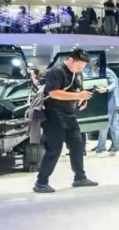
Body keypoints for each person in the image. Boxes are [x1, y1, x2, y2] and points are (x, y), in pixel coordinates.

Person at [33, 49, 100, 193]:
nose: (80, 69)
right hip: (53, 116)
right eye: (79, 66)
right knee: (53, 150)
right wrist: (78, 96)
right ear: (70, 60)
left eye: (83, 67)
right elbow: (54, 93)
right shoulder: (55, 72)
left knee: (77, 146)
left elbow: (77, 91)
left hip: (69, 115)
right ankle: (41, 182)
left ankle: (80, 178)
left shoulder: (77, 73)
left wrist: (81, 100)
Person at [93, 60, 119, 155]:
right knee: (114, 127)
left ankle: (101, 148)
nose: (93, 67)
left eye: (94, 65)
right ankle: (116, 147)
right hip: (114, 103)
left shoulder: (106, 71)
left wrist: (106, 89)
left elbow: (114, 82)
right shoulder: (109, 70)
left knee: (104, 126)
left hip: (109, 103)